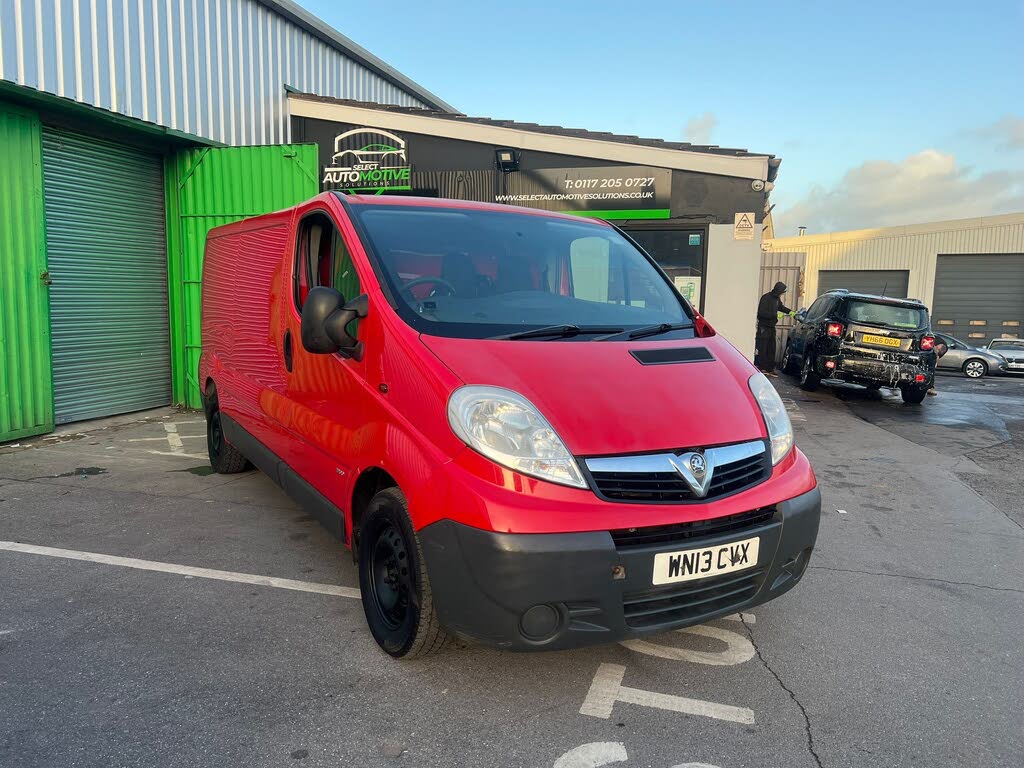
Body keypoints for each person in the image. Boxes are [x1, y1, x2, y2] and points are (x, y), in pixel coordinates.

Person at [755, 281, 793, 375]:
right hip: (763, 327)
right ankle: (762, 368)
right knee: (763, 348)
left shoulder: (776, 299)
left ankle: (769, 368)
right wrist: (774, 315)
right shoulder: (766, 298)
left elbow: (781, 307)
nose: (782, 294)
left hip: (771, 327)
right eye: (782, 292)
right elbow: (761, 313)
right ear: (778, 290)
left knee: (772, 348)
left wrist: (792, 312)